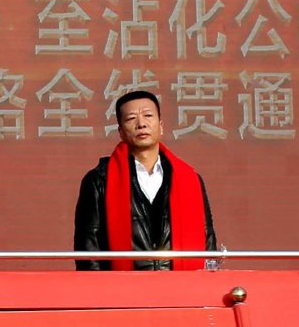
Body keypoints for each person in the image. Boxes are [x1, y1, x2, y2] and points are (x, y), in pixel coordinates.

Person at [72, 88, 221, 270]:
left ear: (161, 125)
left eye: (148, 116)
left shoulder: (189, 178)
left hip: (181, 284)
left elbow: (207, 238)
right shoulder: (99, 180)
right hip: (123, 285)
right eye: (131, 118)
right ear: (120, 131)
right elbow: (88, 248)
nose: (141, 124)